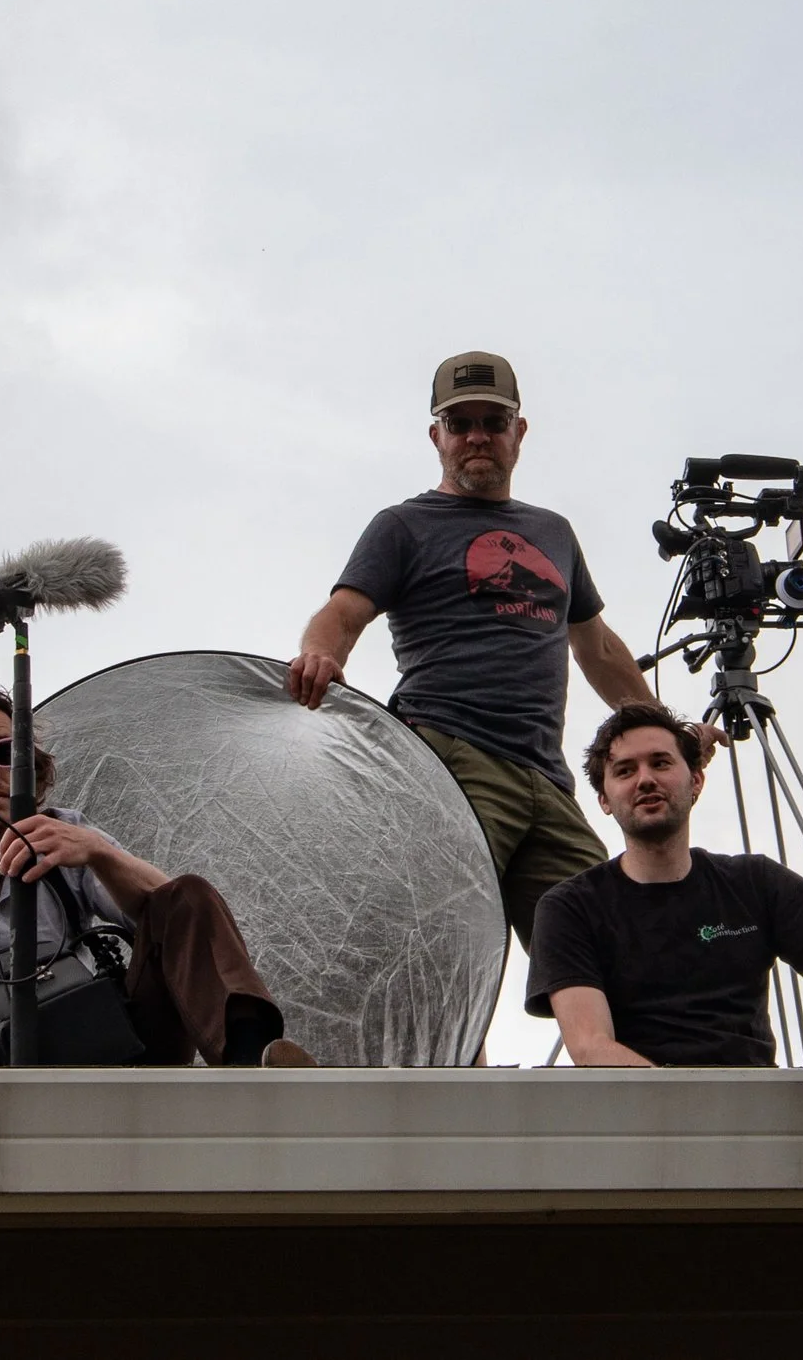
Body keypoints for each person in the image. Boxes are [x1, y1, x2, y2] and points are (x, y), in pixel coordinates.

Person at [287, 351, 670, 953]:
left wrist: (662, 726)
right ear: (436, 436)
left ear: (519, 431)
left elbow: (596, 646)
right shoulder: (404, 525)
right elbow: (342, 613)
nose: (477, 437)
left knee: (611, 948)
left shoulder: (553, 532)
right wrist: (319, 654)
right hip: (451, 758)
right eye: (459, 423)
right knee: (435, 940)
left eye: (494, 422)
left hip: (548, 779)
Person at [0, 677, 314, 1069]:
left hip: (106, 1059)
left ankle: (252, 1067)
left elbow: (177, 917)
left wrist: (97, 852)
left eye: (6, 752)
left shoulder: (64, 834)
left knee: (187, 894)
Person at [526, 703, 803, 1067]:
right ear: (604, 799)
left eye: (660, 763)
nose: (645, 779)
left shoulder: (754, 882)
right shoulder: (571, 907)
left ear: (696, 781)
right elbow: (591, 1046)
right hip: (639, 1113)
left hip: (758, 1109)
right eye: (625, 771)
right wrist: (692, 1110)